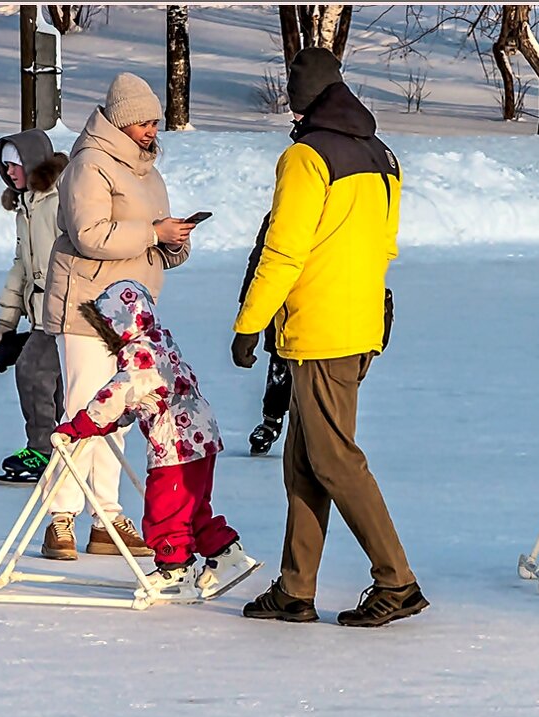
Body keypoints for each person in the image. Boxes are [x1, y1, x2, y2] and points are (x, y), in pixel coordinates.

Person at [232, 47, 427, 627]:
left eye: (293, 84)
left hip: (320, 330)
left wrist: (249, 324)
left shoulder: (307, 157)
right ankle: (296, 587)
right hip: (360, 325)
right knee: (303, 460)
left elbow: (285, 250)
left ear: (306, 93)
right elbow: (384, 246)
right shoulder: (380, 154)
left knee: (334, 459)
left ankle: (397, 582)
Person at [41, 71, 196, 560]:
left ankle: (105, 515)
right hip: (87, 306)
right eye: (144, 123)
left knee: (122, 412)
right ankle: (59, 518)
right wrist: (154, 233)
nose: (152, 131)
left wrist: (174, 243)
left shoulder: (147, 172)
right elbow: (90, 234)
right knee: (85, 410)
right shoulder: (89, 164)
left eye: (155, 122)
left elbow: (149, 235)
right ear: (120, 121)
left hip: (131, 311)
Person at [54, 280, 261, 597]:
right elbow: (146, 396)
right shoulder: (160, 341)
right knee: (191, 506)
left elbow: (115, 396)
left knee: (164, 509)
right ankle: (224, 554)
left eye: (107, 328)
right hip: (202, 437)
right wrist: (117, 420)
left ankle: (174, 568)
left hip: (177, 444)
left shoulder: (139, 357)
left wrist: (79, 426)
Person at [0, 129, 67, 483]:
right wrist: (7, 318)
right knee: (54, 380)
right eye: (5, 166)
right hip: (40, 312)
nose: (9, 173)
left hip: (64, 308)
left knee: (33, 372)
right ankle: (64, 445)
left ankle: (43, 450)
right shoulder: (27, 206)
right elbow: (22, 264)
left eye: (14, 165)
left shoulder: (58, 201)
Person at [238, 213, 292, 457]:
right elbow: (259, 263)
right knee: (280, 367)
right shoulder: (280, 214)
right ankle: (272, 419)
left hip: (327, 315)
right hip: (284, 314)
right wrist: (247, 317)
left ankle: (319, 430)